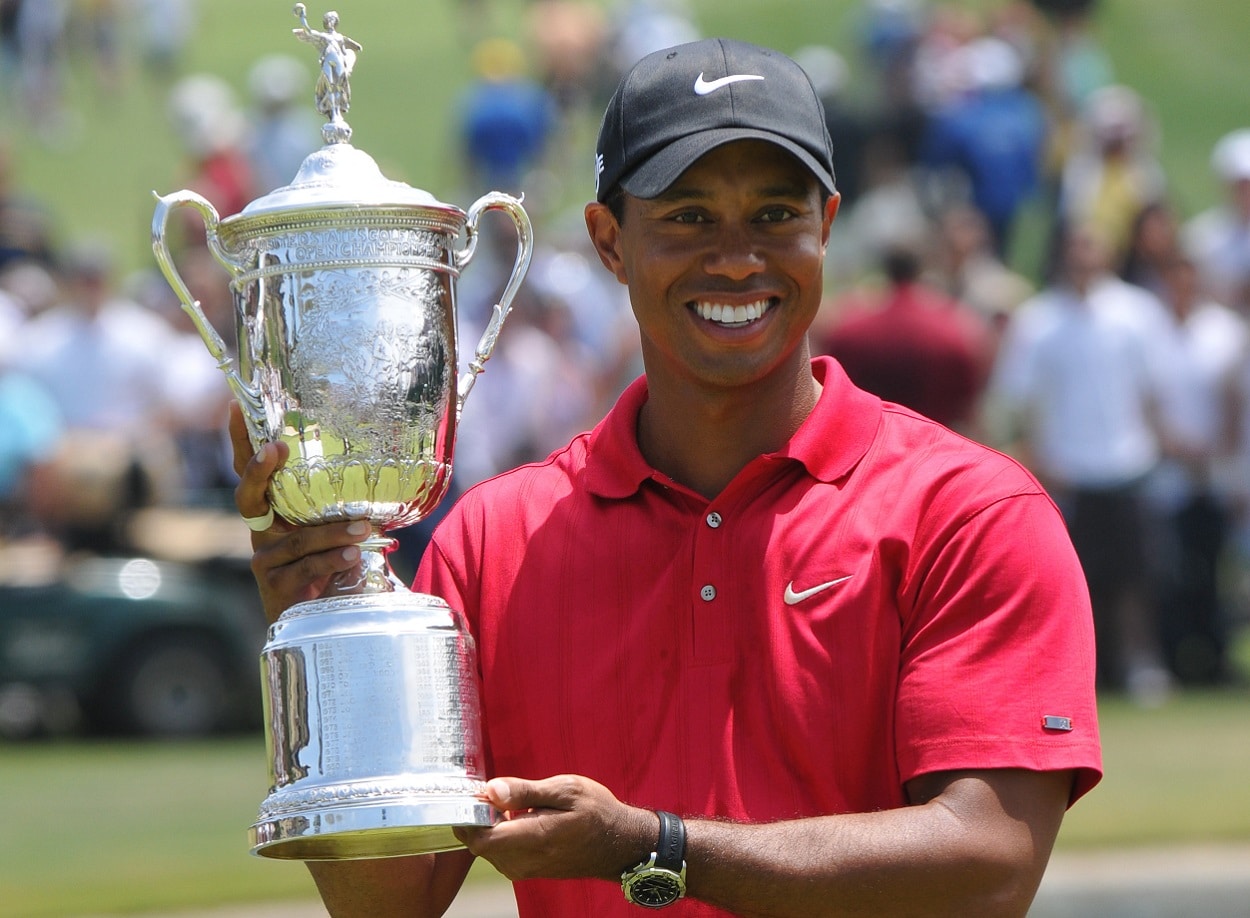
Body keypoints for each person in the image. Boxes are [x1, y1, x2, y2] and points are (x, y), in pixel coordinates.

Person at [230, 38, 1101, 917]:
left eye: (773, 216)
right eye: (686, 216)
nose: (734, 259)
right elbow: (392, 901)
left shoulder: (973, 512)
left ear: (827, 226)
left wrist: (656, 847)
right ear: (609, 241)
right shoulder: (493, 544)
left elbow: (990, 864)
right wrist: (322, 628)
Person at [990, 220, 1171, 704]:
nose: (1083, 255)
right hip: (1065, 470)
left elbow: (1154, 391)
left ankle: (1139, 664)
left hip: (1128, 463)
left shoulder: (1138, 312)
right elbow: (1018, 399)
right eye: (1074, 246)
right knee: (1069, 582)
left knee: (1135, 576)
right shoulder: (1038, 319)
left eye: (1091, 244)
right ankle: (1076, 671)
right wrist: (1034, 457)